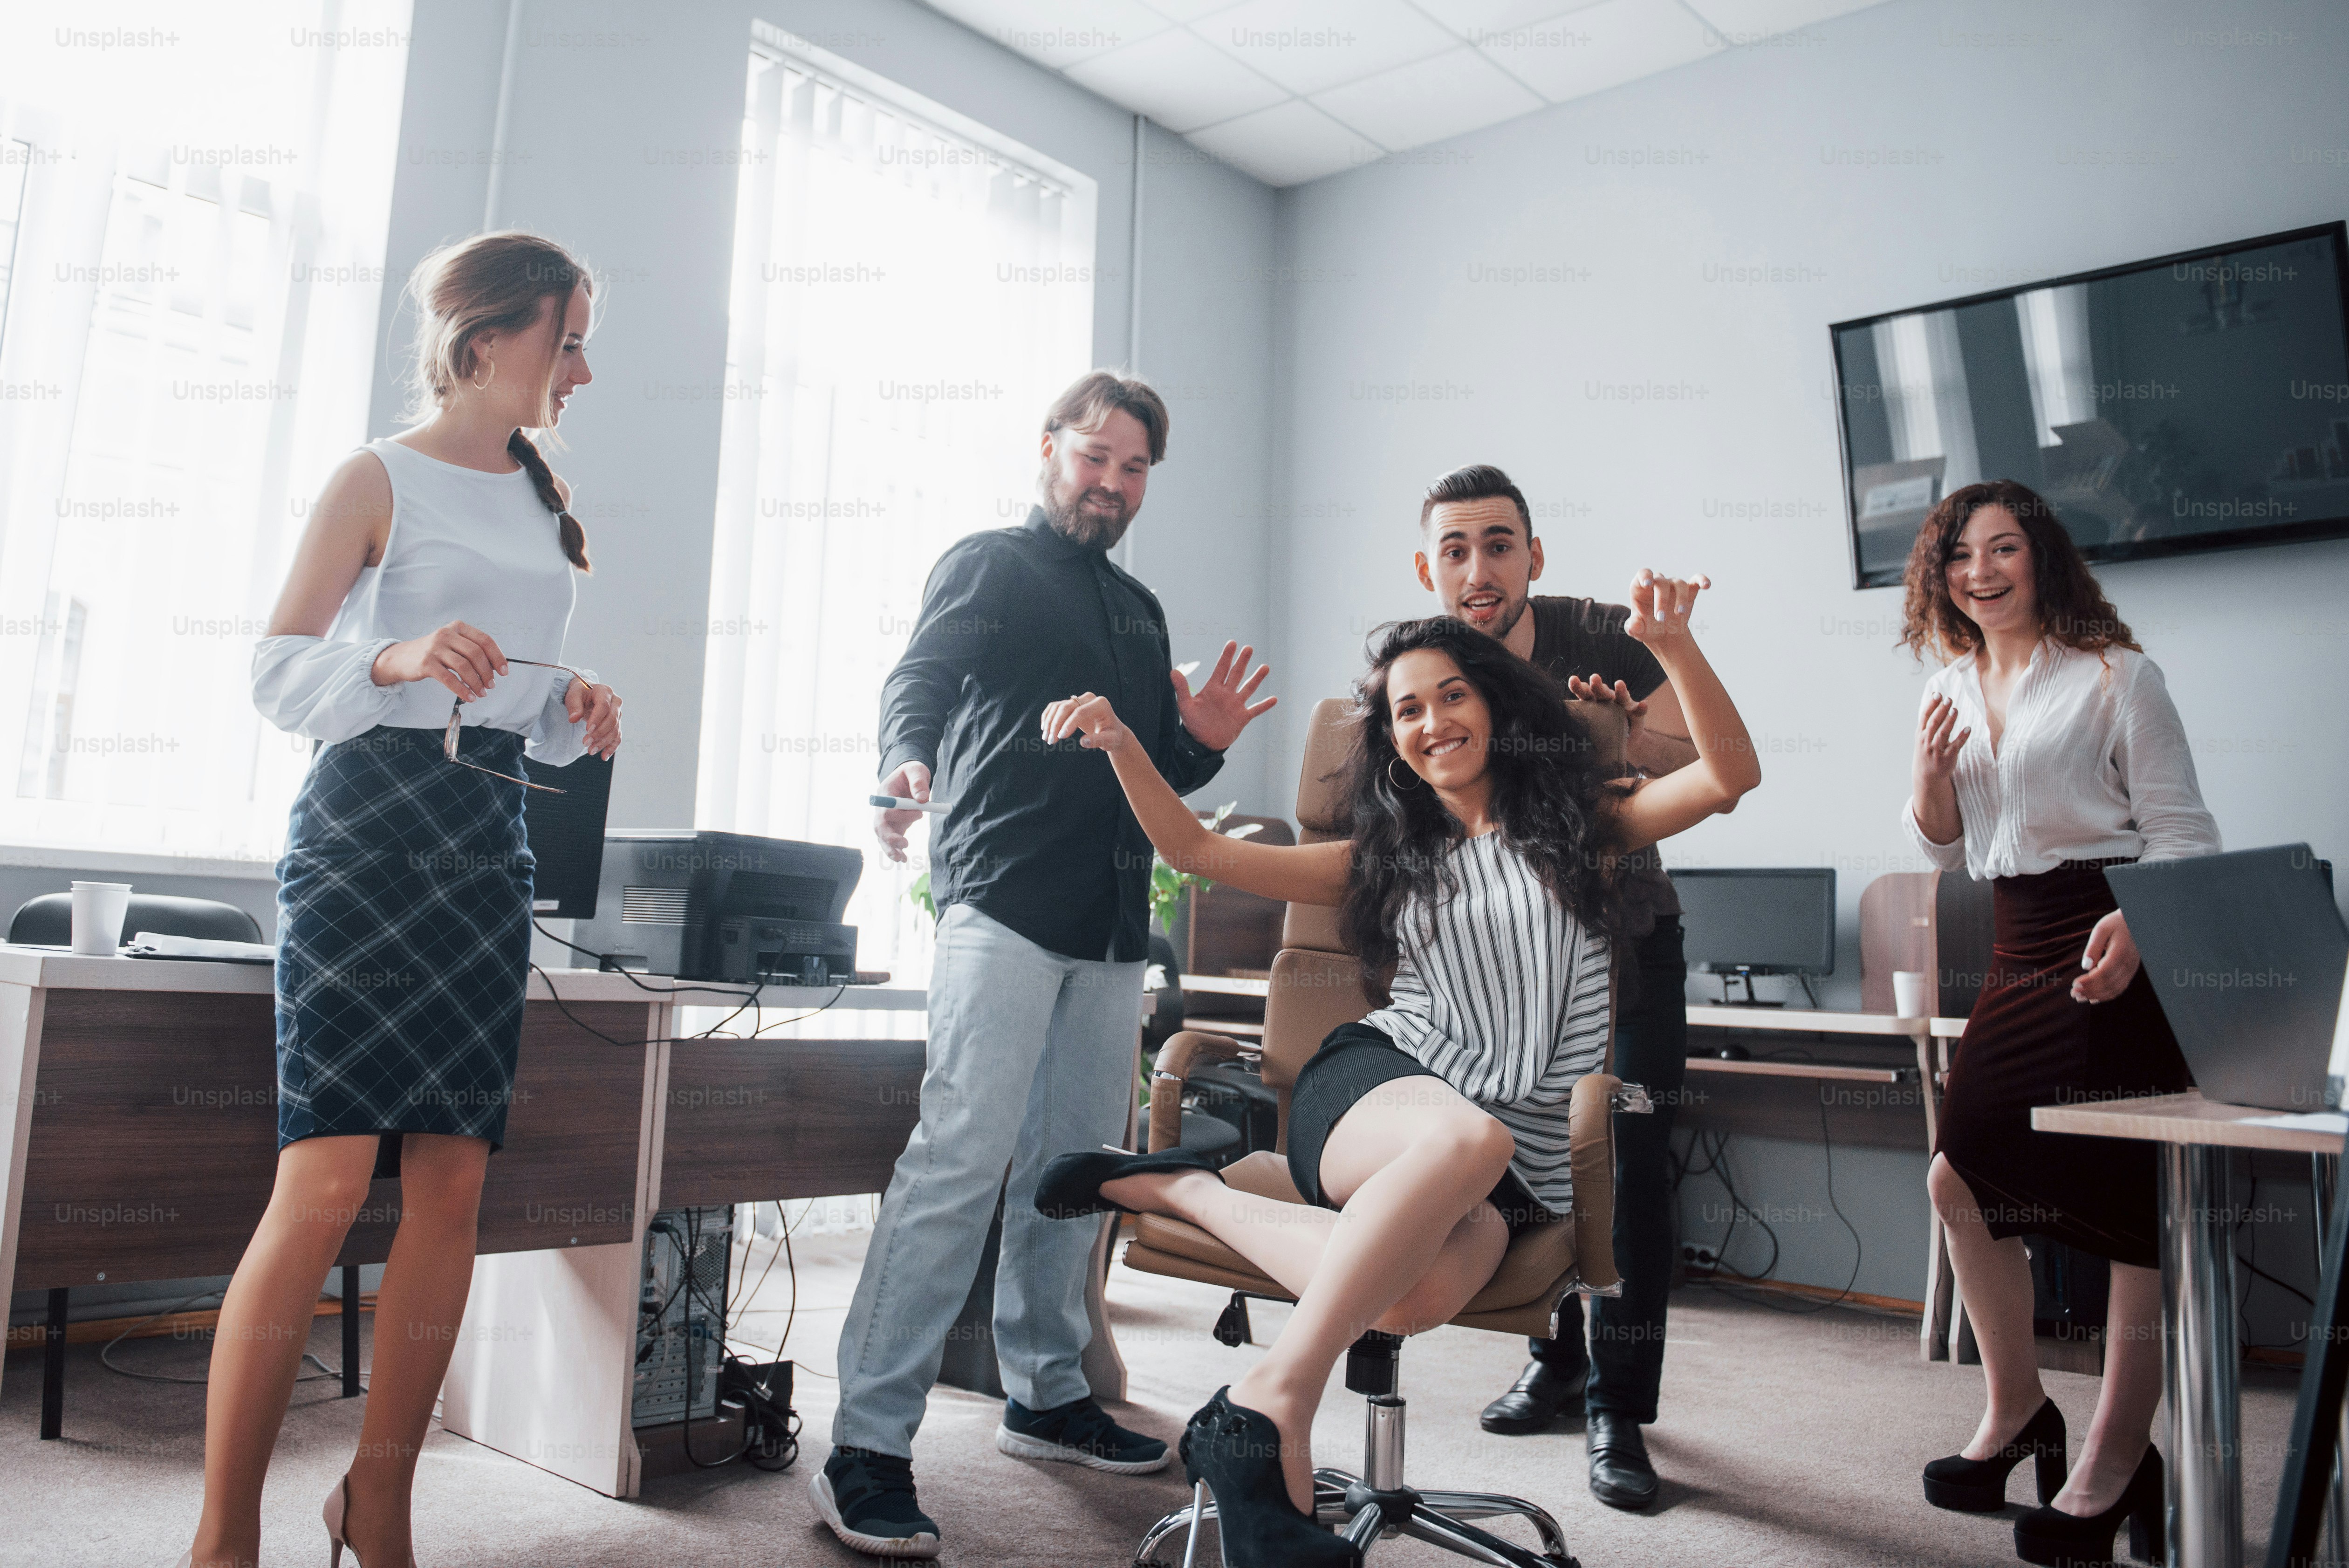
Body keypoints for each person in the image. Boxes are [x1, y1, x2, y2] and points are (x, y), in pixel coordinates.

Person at [1033, 576, 1760, 1568]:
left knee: (1406, 1302)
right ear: (1393, 741)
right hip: (1380, 1085)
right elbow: (1192, 847)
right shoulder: (1381, 855)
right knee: (1467, 1131)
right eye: (1407, 710)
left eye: (1451, 695)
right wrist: (1124, 743)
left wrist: (1672, 645)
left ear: (1497, 704)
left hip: (1517, 1159)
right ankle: (1270, 1402)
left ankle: (1182, 1189)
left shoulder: (1585, 828)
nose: (1432, 722)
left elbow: (1729, 775)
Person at [188, 231, 622, 1568]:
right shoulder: (374, 475)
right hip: (367, 830)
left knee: (451, 1187)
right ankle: (225, 1531)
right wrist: (392, 653)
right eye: (569, 338)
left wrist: (569, 706)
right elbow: (273, 672)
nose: (583, 367)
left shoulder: (546, 491)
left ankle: (380, 1501)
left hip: (489, 832)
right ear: (490, 338)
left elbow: (503, 693)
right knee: (320, 1185)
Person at [815, 371, 1278, 1560]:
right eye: (1096, 458)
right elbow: (920, 679)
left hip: (1116, 921)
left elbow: (1155, 771)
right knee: (961, 1157)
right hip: (1005, 899)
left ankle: (1047, 1396)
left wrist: (1203, 746)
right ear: (1050, 450)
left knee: (1075, 1172)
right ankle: (865, 1445)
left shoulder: (1139, 608)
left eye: (1133, 470)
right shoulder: (990, 566)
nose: (1112, 484)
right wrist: (906, 762)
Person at [1902, 479, 2219, 1568]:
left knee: (2130, 1212)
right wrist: (1930, 776)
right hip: (2013, 942)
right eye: (1959, 556)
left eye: (2002, 550)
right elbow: (1946, 846)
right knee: (1960, 1179)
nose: (1980, 572)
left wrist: (2138, 928)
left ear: (2042, 559)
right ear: (1940, 576)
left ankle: (2116, 1455)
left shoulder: (2117, 677)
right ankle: (2017, 1411)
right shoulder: (1945, 685)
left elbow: (2183, 832)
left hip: (2114, 935)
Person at [1412, 462, 1694, 1508]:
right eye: (1455, 549)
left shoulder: (1602, 632)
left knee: (1627, 1163)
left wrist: (1624, 732)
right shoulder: (1424, 666)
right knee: (1527, 1158)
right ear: (1428, 568)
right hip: (1499, 955)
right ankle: (1558, 1353)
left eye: (1498, 544)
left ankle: (1620, 1405)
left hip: (1624, 941)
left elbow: (1695, 757)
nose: (1478, 568)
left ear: (1535, 555)